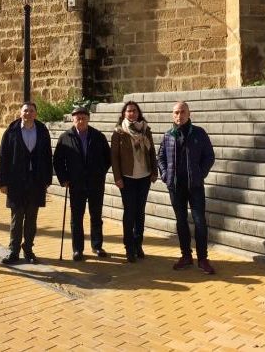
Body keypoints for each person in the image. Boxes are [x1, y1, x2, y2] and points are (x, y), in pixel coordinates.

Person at [158, 101, 216, 275]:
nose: (179, 115)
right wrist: (165, 175)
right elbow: (160, 157)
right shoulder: (169, 135)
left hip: (195, 186)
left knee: (200, 222)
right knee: (181, 222)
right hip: (176, 187)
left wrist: (200, 173)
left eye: (182, 112)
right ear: (172, 115)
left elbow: (209, 156)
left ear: (189, 114)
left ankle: (203, 258)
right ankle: (186, 256)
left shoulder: (199, 133)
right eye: (176, 112)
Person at [53, 106, 112, 261]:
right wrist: (64, 178)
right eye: (77, 117)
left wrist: (100, 173)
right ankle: (77, 249)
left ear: (88, 118)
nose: (80, 120)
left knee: (96, 216)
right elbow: (58, 161)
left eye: (83, 117)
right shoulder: (65, 137)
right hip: (76, 184)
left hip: (95, 184)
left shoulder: (98, 136)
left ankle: (97, 246)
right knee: (76, 218)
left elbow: (108, 158)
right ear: (73, 119)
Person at [0, 102, 53, 265]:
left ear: (36, 113)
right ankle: (13, 251)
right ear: (20, 113)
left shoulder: (42, 130)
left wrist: (47, 179)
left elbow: (47, 155)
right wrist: (2, 182)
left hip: (36, 181)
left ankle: (28, 249)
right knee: (17, 218)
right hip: (16, 181)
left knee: (31, 218)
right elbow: (3, 157)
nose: (28, 113)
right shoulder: (11, 131)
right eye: (25, 111)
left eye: (31, 111)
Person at [111, 101, 157, 263]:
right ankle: (129, 247)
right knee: (129, 212)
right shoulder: (119, 132)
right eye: (129, 111)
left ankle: (138, 244)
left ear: (138, 113)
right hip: (127, 178)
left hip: (144, 177)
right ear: (124, 113)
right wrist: (117, 177)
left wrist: (154, 171)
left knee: (140, 212)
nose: (132, 113)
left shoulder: (146, 130)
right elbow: (114, 157)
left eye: (134, 111)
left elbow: (152, 152)